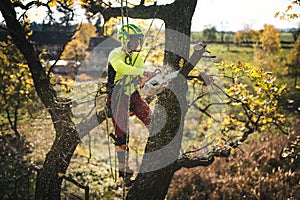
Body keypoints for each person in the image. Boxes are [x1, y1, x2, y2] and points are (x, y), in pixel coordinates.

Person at [105, 24, 153, 183]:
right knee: (122, 136)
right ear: (125, 40)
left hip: (133, 95)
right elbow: (121, 68)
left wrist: (149, 78)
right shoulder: (115, 54)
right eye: (134, 40)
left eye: (138, 40)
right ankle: (124, 173)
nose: (137, 43)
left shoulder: (137, 57)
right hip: (117, 97)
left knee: (152, 120)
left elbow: (140, 74)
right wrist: (142, 72)